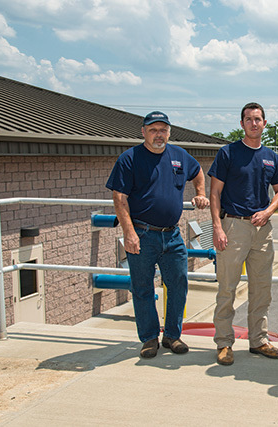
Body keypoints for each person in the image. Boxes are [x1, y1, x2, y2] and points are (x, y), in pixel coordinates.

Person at [106, 111, 210, 358]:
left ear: (169, 132)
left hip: (173, 236)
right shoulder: (129, 159)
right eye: (153, 130)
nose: (158, 134)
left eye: (163, 130)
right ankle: (149, 338)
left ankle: (172, 336)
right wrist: (129, 233)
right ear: (143, 132)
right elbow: (119, 198)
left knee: (178, 285)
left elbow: (197, 171)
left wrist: (200, 192)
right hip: (142, 234)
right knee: (142, 288)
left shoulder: (179, 155)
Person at [208, 102, 278, 366]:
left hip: (262, 229)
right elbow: (214, 192)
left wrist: (268, 211)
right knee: (227, 288)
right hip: (233, 226)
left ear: (264, 123)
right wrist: (217, 227)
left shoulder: (270, 156)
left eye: (258, 119)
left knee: (261, 288)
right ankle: (224, 343)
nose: (254, 123)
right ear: (242, 124)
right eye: (249, 119)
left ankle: (259, 340)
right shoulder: (228, 153)